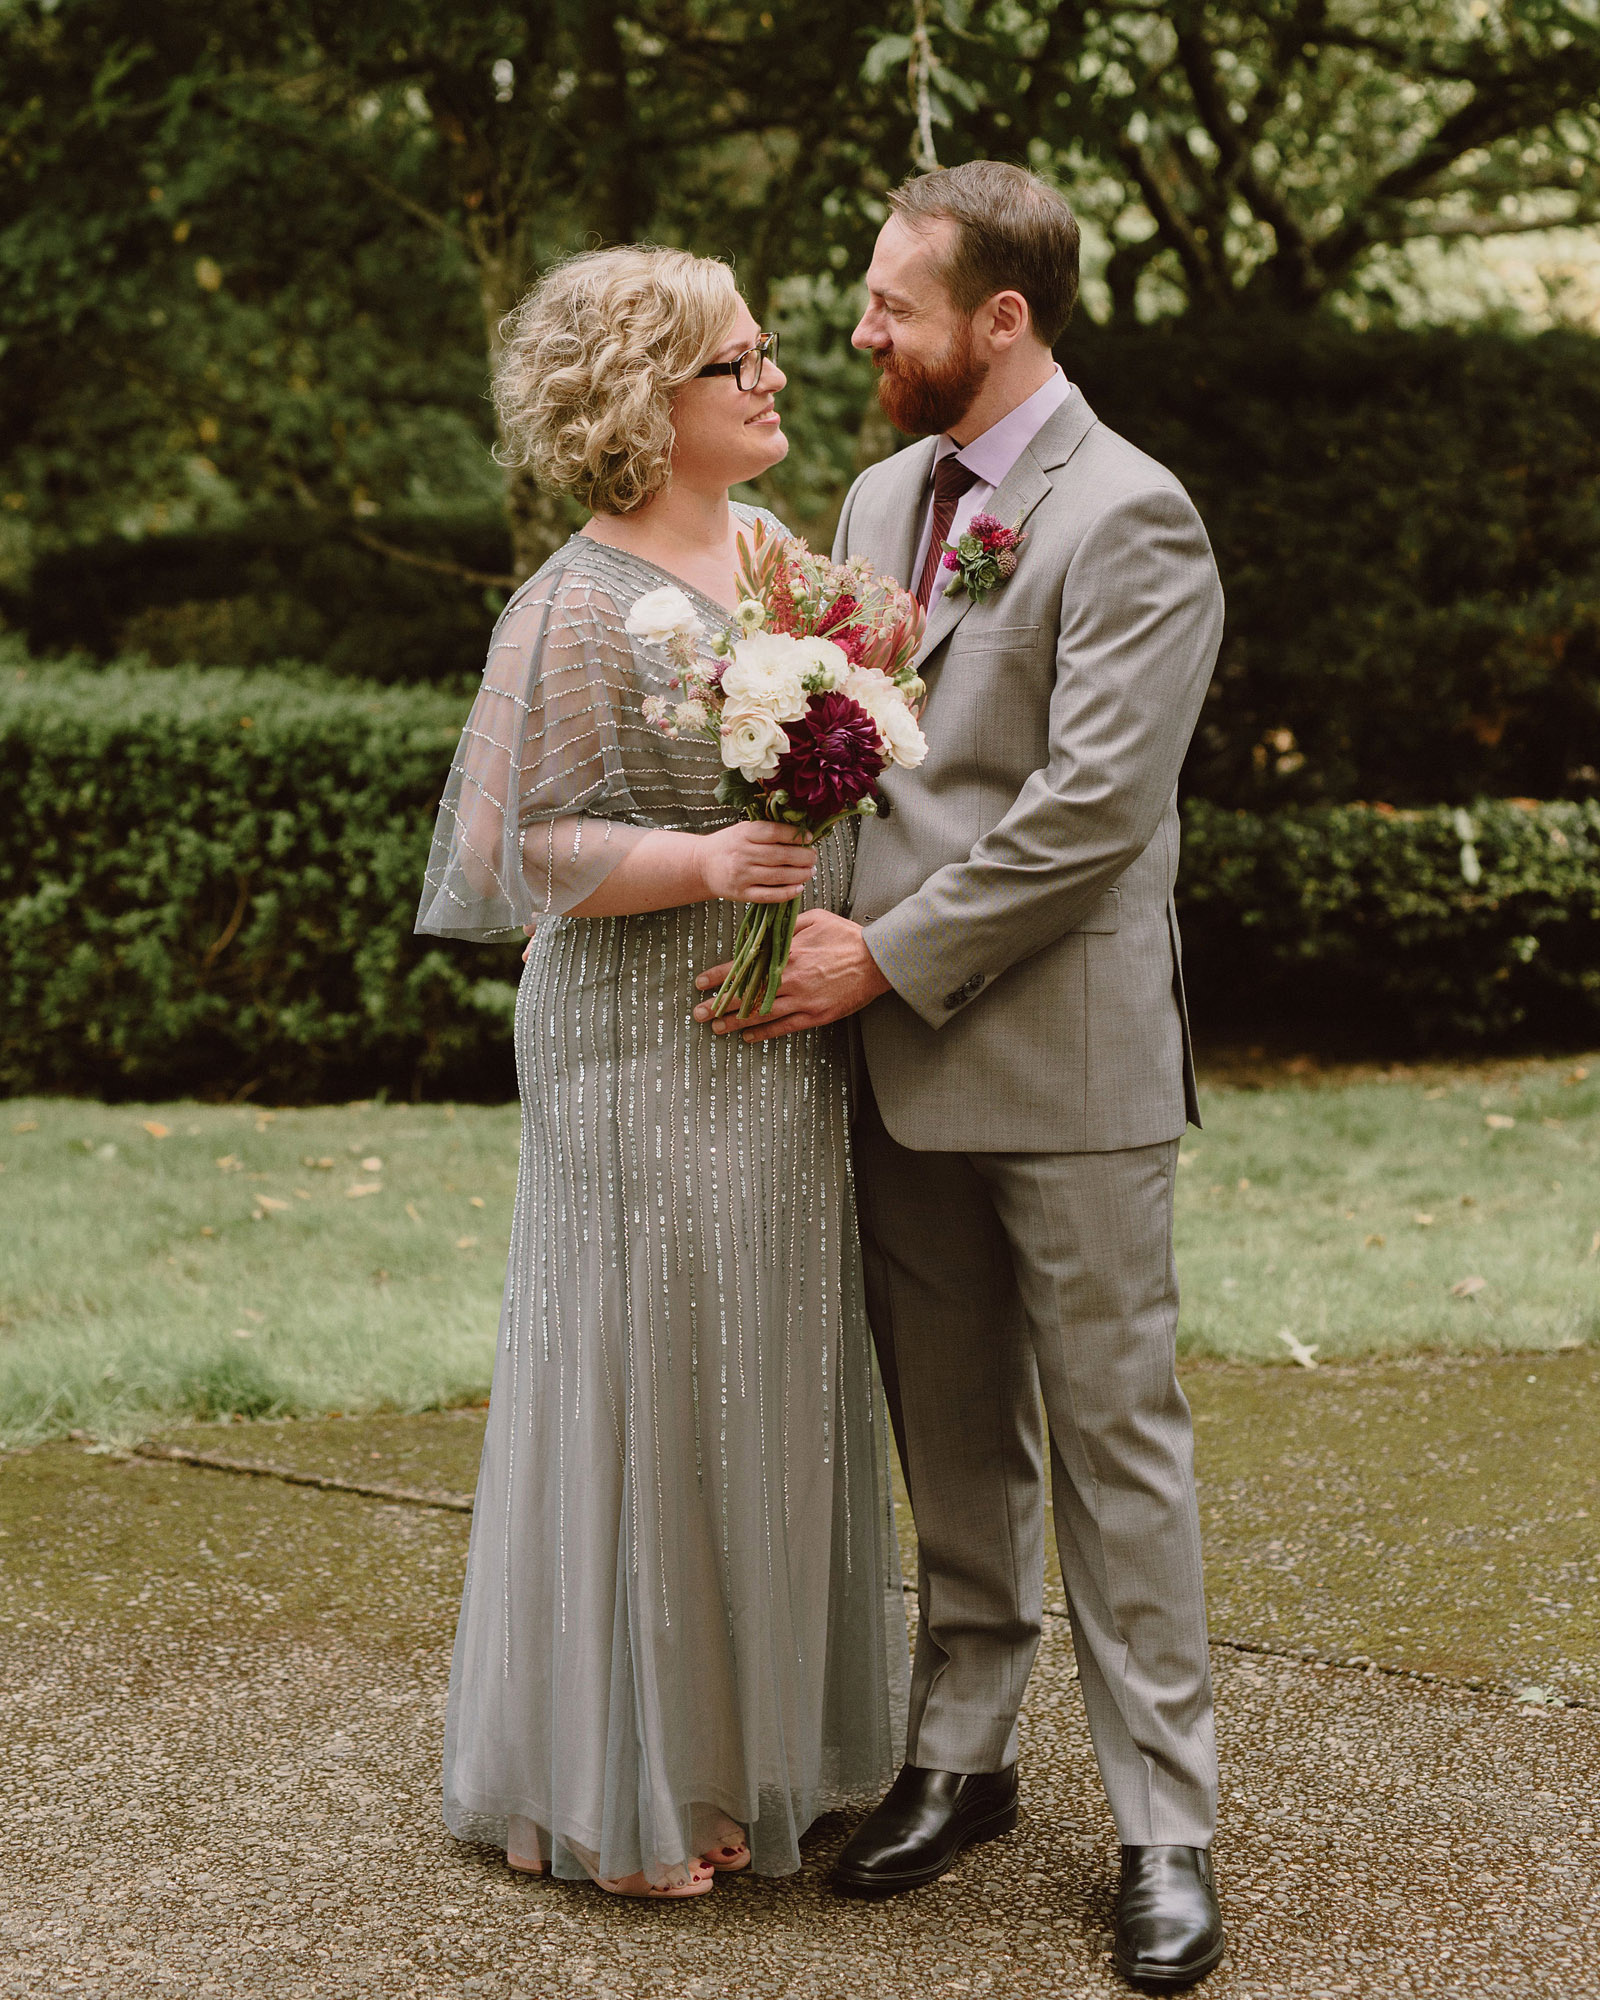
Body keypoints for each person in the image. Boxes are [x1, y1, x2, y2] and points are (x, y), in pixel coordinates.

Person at [694, 162, 1227, 1988]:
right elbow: (856, 753)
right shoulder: (878, 492)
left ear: (1002, 320)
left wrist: (882, 955)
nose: (858, 336)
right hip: (889, 1060)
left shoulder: (1136, 516)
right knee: (951, 1435)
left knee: (1115, 1442)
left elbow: (1090, 816)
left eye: (889, 308)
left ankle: (1168, 1822)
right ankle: (965, 1755)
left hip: (1060, 1060)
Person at [417, 245, 905, 1899]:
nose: (774, 378)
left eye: (768, 352)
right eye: (736, 363)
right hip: (633, 1035)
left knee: (760, 1368)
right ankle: (620, 1786)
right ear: (644, 400)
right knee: (647, 1371)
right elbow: (500, 856)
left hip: (775, 1044)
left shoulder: (781, 559)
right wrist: (702, 865)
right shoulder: (567, 605)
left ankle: (741, 1746)